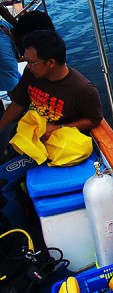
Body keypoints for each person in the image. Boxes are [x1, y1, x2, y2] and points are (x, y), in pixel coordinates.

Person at [0, 29, 103, 206]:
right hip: (30, 136)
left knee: (2, 179)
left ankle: (20, 226)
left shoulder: (82, 89)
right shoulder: (31, 74)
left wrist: (58, 128)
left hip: (52, 145)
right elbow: (18, 104)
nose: (28, 67)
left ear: (51, 63)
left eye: (32, 63)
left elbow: (94, 119)